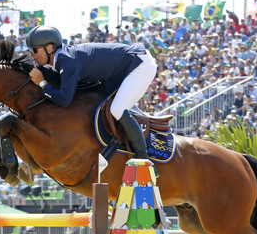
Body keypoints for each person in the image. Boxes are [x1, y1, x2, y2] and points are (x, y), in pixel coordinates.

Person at [26, 25, 158, 171]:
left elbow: (64, 100)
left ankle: (144, 160)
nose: (32, 55)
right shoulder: (63, 60)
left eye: (34, 50)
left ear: (49, 48)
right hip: (120, 72)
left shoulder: (67, 60)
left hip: (140, 65)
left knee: (117, 108)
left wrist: (42, 83)